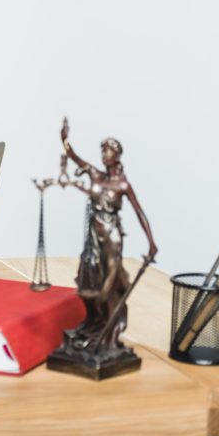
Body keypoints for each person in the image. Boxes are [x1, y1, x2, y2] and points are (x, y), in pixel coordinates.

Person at [58, 118, 157, 352]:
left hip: (111, 236)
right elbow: (73, 156)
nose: (103, 154)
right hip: (93, 237)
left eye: (108, 150)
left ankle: (107, 330)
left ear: (117, 155)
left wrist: (151, 243)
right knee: (86, 282)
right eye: (102, 150)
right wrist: (64, 140)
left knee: (107, 286)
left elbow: (140, 213)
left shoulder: (122, 185)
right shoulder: (95, 175)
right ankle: (92, 323)